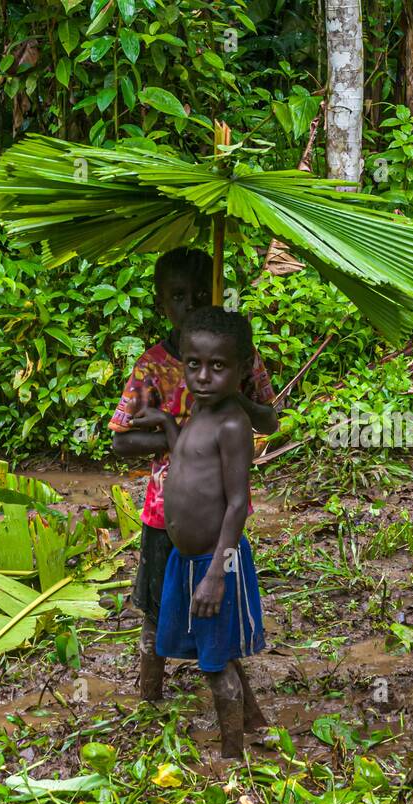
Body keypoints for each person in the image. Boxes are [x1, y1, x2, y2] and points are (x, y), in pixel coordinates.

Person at [109, 249, 279, 701]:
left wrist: (232, 399)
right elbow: (121, 440)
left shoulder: (238, 359)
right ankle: (150, 700)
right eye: (178, 296)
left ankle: (241, 712)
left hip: (216, 516)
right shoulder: (153, 365)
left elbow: (270, 421)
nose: (191, 304)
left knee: (216, 609)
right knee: (155, 611)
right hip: (163, 514)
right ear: (163, 303)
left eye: (202, 294)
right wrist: (180, 435)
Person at [145, 306, 268, 757]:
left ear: (240, 369)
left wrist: (217, 572)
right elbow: (187, 458)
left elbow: (237, 503)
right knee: (217, 651)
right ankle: (255, 723)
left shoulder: (233, 423)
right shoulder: (200, 408)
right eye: (194, 364)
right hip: (187, 557)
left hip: (216, 559)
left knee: (215, 667)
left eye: (218, 367)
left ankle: (233, 758)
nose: (202, 376)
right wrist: (163, 424)